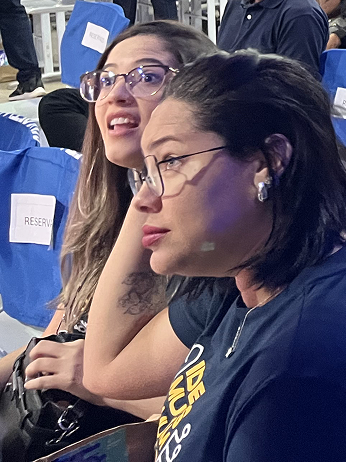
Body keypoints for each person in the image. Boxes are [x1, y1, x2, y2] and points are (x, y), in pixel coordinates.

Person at [81, 51, 346, 461]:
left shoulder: (298, 379)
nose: (143, 201)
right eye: (145, 172)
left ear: (269, 161)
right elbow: (109, 372)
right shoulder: (297, 255)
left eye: (171, 161)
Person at [6, 22, 217, 425]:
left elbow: (205, 415)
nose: (115, 94)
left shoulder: (214, 244)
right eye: (105, 80)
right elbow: (50, 342)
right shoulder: (106, 212)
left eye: (147, 77)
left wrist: (96, 386)